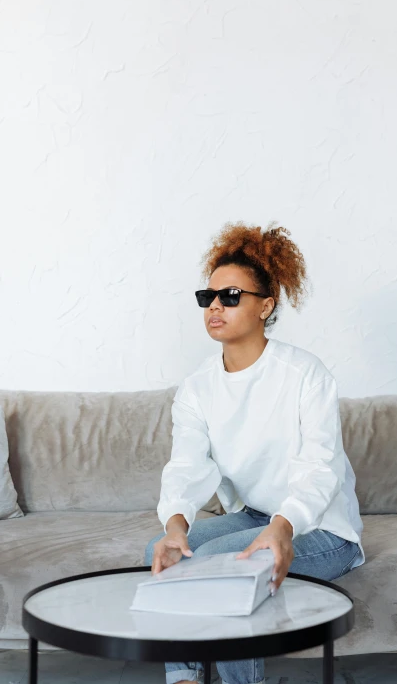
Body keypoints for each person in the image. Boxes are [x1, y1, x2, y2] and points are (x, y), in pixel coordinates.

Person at [144, 220, 365, 684]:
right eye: (208, 298)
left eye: (230, 296)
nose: (215, 307)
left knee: (220, 567)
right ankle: (186, 679)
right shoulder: (197, 388)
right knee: (162, 551)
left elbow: (319, 468)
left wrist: (283, 528)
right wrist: (175, 527)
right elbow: (187, 467)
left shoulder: (305, 375)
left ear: (266, 306)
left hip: (321, 527)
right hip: (254, 515)